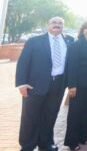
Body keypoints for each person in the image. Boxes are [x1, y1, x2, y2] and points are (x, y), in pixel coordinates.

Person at [16, 17, 71, 151]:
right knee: (30, 116)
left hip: (58, 85)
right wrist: (21, 83)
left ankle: (45, 143)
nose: (57, 25)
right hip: (35, 85)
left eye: (60, 23)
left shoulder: (69, 41)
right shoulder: (34, 41)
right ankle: (27, 145)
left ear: (63, 26)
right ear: (48, 25)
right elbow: (23, 62)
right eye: (54, 23)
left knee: (50, 115)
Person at [64, 21, 87, 150]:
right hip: (78, 84)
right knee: (75, 112)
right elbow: (72, 66)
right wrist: (72, 85)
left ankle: (83, 137)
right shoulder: (76, 45)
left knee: (86, 110)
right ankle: (72, 142)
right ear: (83, 29)